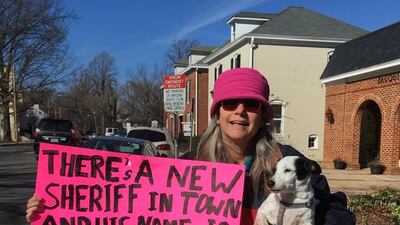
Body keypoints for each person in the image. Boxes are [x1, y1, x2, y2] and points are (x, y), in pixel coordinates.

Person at [26, 68, 354, 225]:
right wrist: (54, 207)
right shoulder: (184, 168)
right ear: (217, 111)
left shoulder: (288, 163)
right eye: (230, 103)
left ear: (263, 115)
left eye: (251, 105)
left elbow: (338, 212)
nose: (240, 111)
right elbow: (126, 209)